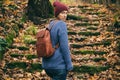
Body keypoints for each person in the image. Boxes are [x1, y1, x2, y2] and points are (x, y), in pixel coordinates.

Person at [42, 1, 73, 80]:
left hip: (47, 66)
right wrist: (69, 64)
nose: (65, 15)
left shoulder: (51, 24)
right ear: (57, 14)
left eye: (66, 13)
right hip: (58, 66)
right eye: (62, 13)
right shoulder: (61, 25)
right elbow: (64, 47)